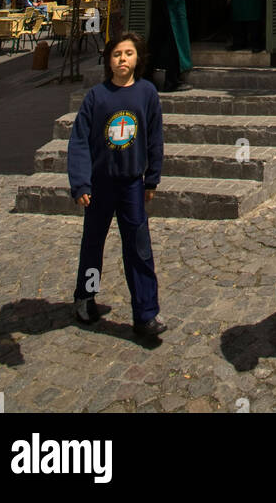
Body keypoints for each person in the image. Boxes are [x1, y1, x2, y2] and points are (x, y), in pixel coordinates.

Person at [67, 32, 165, 336]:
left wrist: (152, 178)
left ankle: (145, 312)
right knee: (94, 244)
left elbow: (155, 138)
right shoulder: (96, 97)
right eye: (117, 54)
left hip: (132, 184)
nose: (122, 59)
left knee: (139, 247)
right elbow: (79, 141)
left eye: (128, 54)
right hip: (100, 185)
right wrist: (81, 183)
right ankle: (87, 295)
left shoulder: (147, 93)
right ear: (108, 60)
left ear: (138, 59)